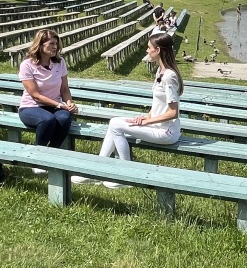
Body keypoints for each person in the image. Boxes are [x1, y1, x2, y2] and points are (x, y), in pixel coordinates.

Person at [73, 33, 182, 189]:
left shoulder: (169, 76)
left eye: (149, 48)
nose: (147, 50)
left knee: (115, 125)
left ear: (158, 50)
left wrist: (146, 121)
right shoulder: (161, 71)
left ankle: (126, 175)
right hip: (156, 126)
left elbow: (173, 113)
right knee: (114, 124)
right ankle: (96, 171)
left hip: (167, 133)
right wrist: (145, 117)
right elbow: (159, 103)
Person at [18, 29, 79, 158]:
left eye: (56, 44)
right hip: (31, 107)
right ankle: (38, 155)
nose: (55, 47)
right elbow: (35, 95)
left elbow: (64, 89)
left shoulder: (60, 62)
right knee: (48, 120)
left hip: (54, 106)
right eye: (51, 44)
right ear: (40, 45)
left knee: (64, 118)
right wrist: (59, 105)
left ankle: (52, 153)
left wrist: (69, 103)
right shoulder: (27, 65)